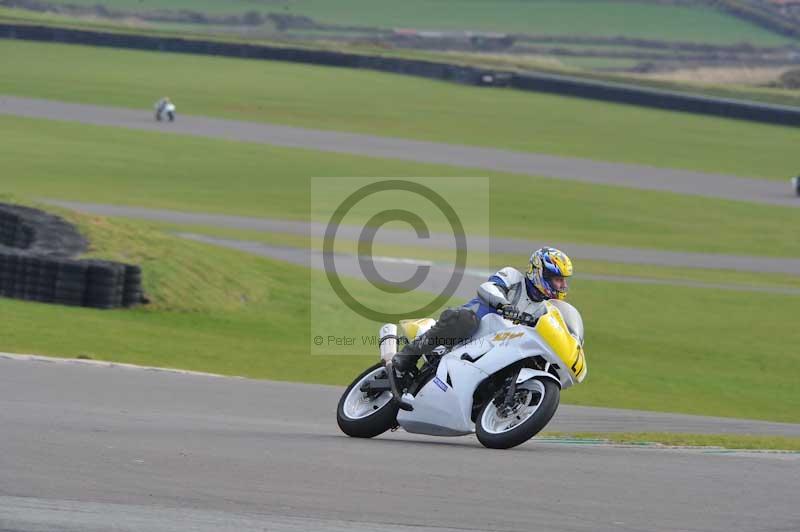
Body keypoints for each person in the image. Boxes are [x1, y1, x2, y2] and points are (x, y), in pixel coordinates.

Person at [392, 247, 573, 372]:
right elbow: (488, 287)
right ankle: (408, 355)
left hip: (498, 347)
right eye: (558, 279)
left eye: (564, 280)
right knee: (465, 319)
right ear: (540, 272)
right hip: (471, 328)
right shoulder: (513, 277)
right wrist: (504, 305)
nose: (562, 285)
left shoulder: (543, 310)